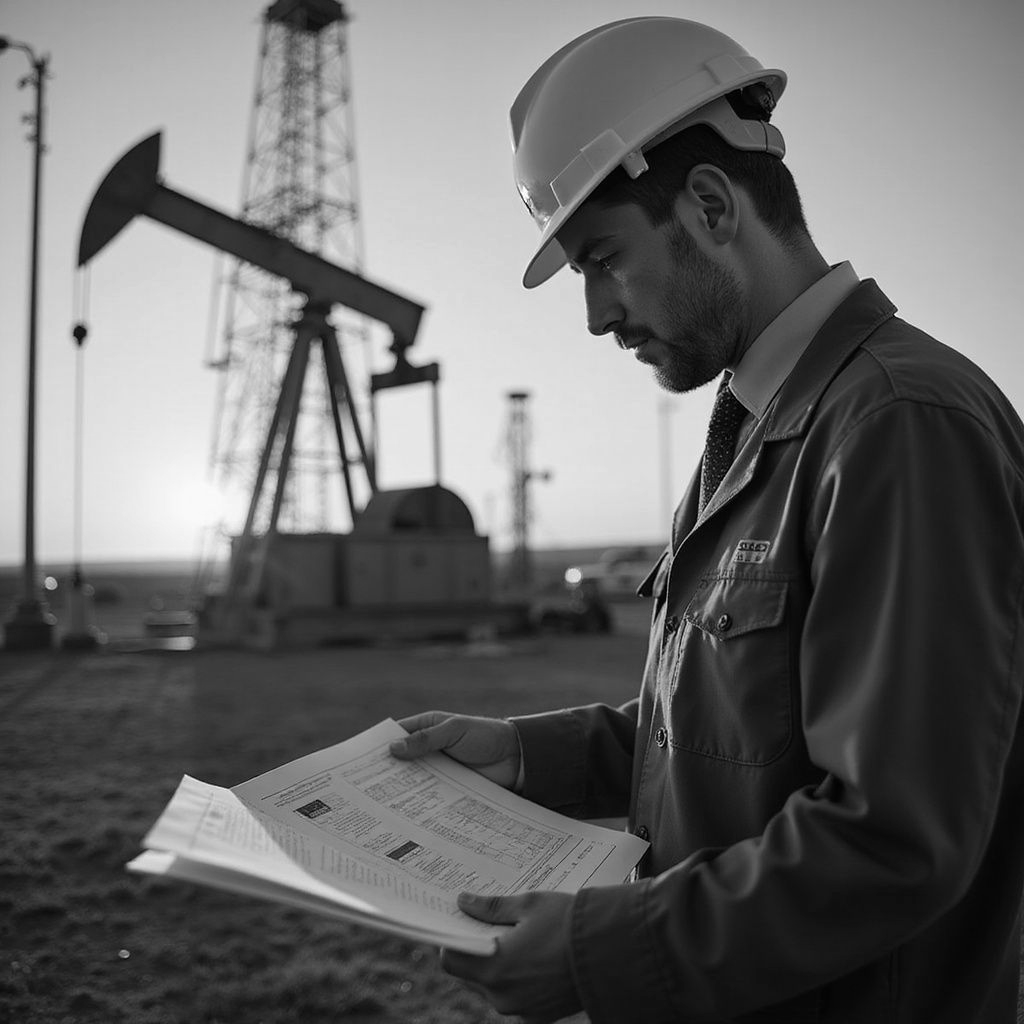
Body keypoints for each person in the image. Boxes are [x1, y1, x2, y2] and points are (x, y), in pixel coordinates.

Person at [390, 16, 1024, 1024]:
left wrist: (604, 952)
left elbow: (898, 835)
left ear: (712, 205)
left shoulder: (898, 425)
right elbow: (741, 731)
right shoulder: (758, 424)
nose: (597, 315)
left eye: (603, 259)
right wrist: (522, 754)